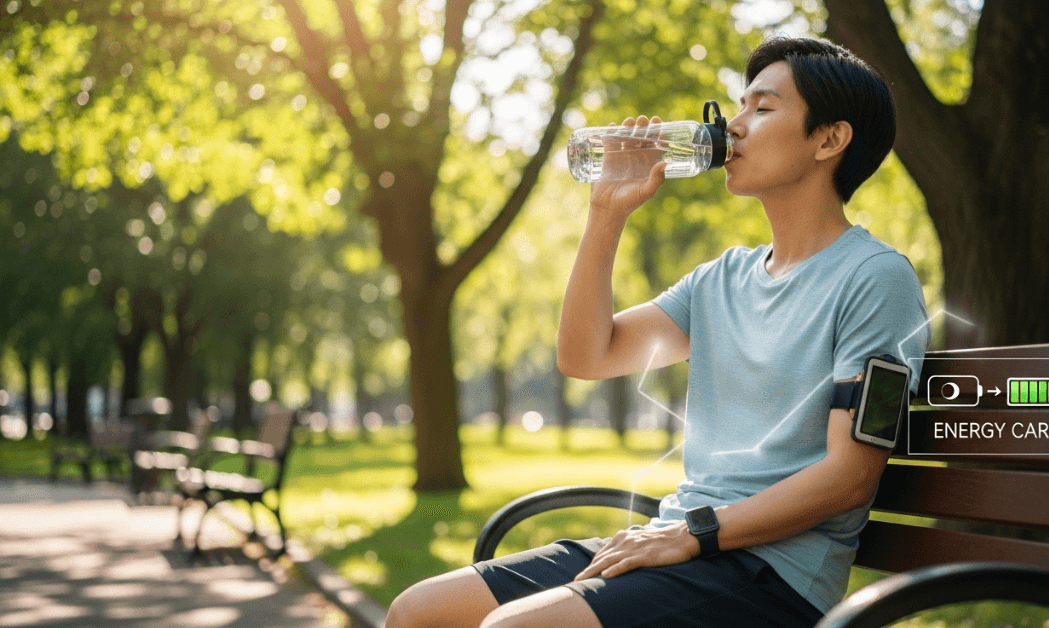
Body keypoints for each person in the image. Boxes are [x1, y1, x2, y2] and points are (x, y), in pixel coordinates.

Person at [386, 35, 929, 628]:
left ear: (830, 138)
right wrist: (606, 215)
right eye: (739, 106)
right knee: (419, 612)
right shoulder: (722, 279)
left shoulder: (875, 279)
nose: (736, 127)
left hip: (770, 579)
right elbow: (586, 357)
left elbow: (849, 479)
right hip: (678, 543)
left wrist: (693, 534)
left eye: (763, 108)